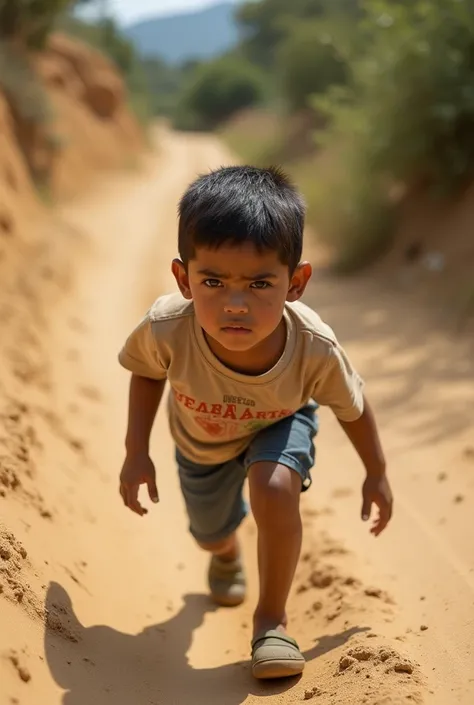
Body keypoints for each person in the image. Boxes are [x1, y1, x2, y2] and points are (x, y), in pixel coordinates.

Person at [117, 165, 393, 680]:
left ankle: (272, 622)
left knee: (273, 486)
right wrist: (137, 452)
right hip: (201, 444)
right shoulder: (168, 328)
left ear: (297, 282)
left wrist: (375, 472)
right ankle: (225, 553)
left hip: (280, 420)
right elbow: (145, 373)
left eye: (261, 283)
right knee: (209, 533)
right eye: (213, 282)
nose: (236, 304)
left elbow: (351, 405)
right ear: (183, 279)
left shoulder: (314, 346)